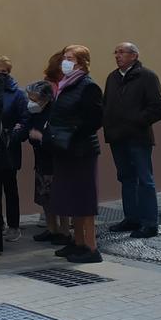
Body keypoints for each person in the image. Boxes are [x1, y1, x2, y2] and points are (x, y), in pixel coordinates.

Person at [47, 45, 104, 264]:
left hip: (81, 151)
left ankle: (90, 247)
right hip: (65, 150)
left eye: (70, 59)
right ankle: (78, 243)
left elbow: (94, 120)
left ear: (81, 63)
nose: (65, 62)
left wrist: (71, 134)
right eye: (64, 58)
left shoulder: (88, 86)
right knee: (71, 198)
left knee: (83, 199)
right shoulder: (66, 85)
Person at [103, 42, 161, 239]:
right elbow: (107, 104)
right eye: (116, 52)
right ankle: (132, 218)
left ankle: (149, 223)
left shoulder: (147, 76)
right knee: (126, 178)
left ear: (134, 55)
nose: (117, 55)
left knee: (144, 180)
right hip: (117, 137)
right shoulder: (112, 77)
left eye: (122, 52)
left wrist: (136, 120)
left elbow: (157, 108)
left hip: (138, 136)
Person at [0, 56, 27, 253]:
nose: (1, 75)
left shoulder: (17, 94)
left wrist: (15, 134)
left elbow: (24, 118)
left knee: (10, 188)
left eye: (5, 72)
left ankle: (13, 225)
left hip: (10, 147)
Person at [13, 80, 61, 242]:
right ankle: (51, 228)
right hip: (40, 161)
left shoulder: (54, 112)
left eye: (34, 99)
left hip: (53, 162)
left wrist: (41, 137)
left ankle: (63, 231)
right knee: (45, 199)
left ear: (45, 98)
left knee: (57, 198)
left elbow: (57, 137)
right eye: (30, 98)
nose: (31, 102)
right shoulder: (35, 113)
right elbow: (26, 130)